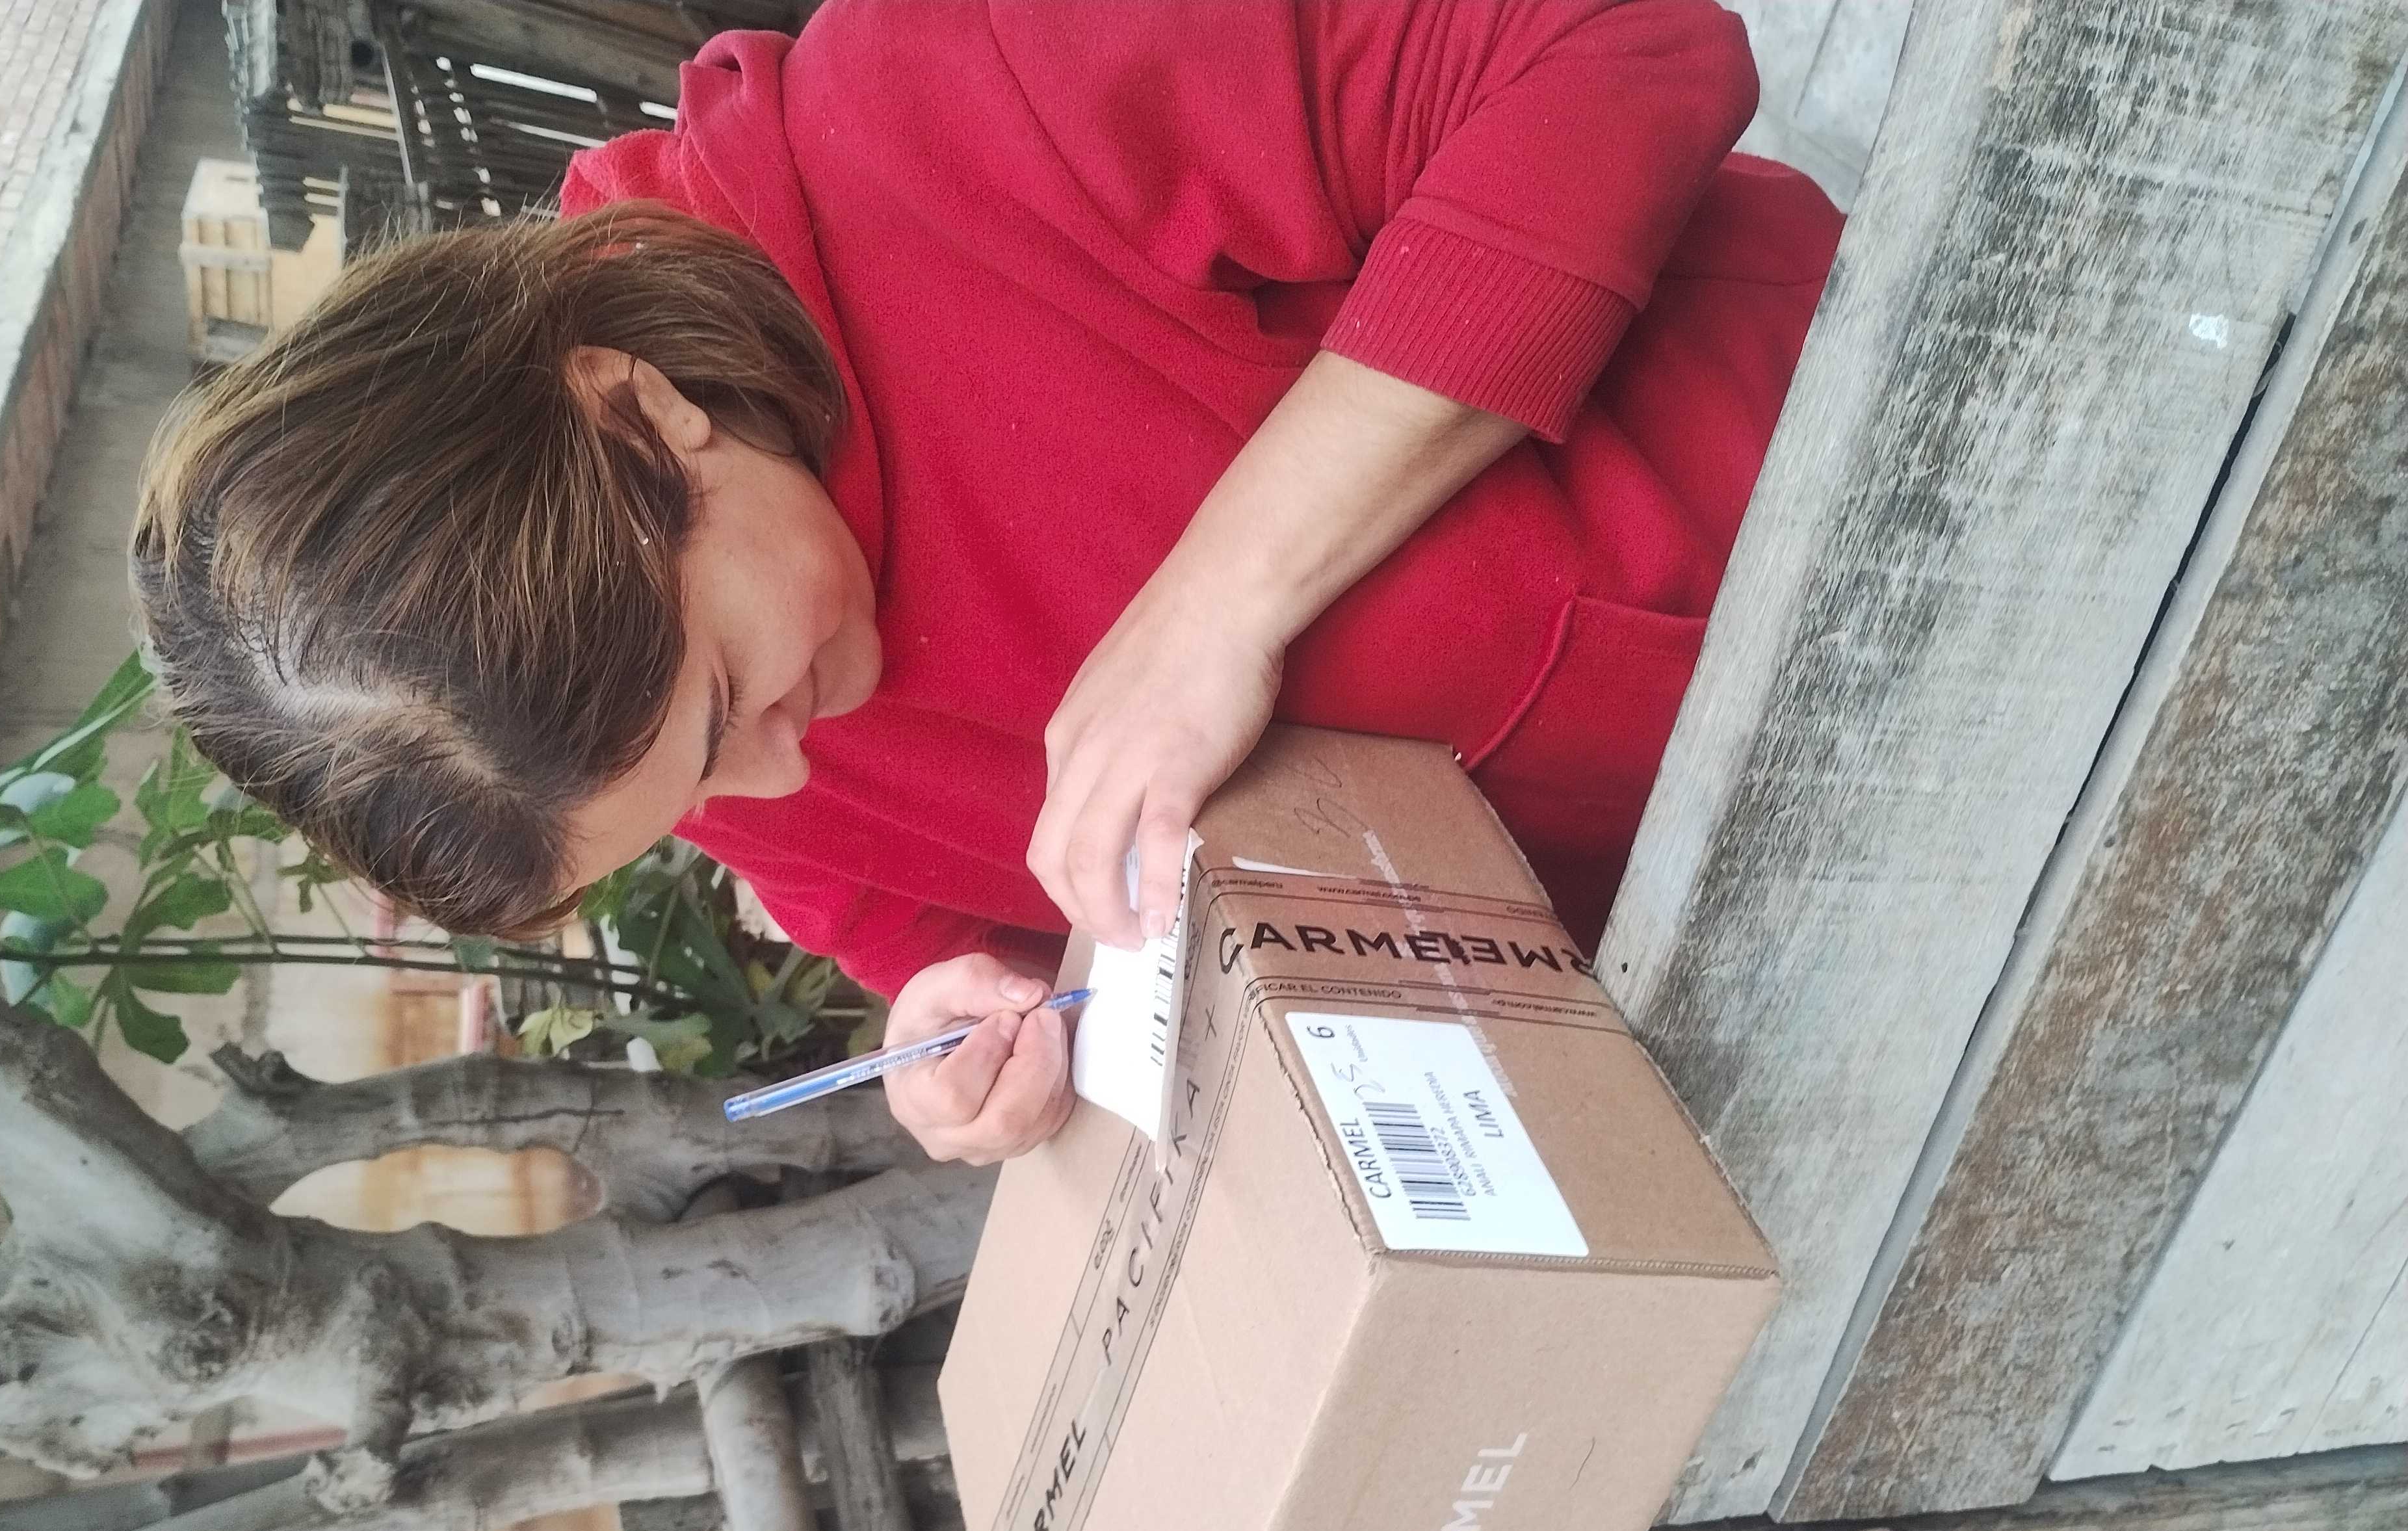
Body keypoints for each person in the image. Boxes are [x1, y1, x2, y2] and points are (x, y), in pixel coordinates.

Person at [132, 0, 1840, 1168]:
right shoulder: (688, 737)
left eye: (727, 703)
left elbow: (1616, 49)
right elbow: (948, 924)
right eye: (692, 804)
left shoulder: (953, 98)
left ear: (640, 408)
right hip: (1751, 932)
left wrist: (1221, 600)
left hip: (1873, 523)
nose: (778, 781)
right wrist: (968, 1020)